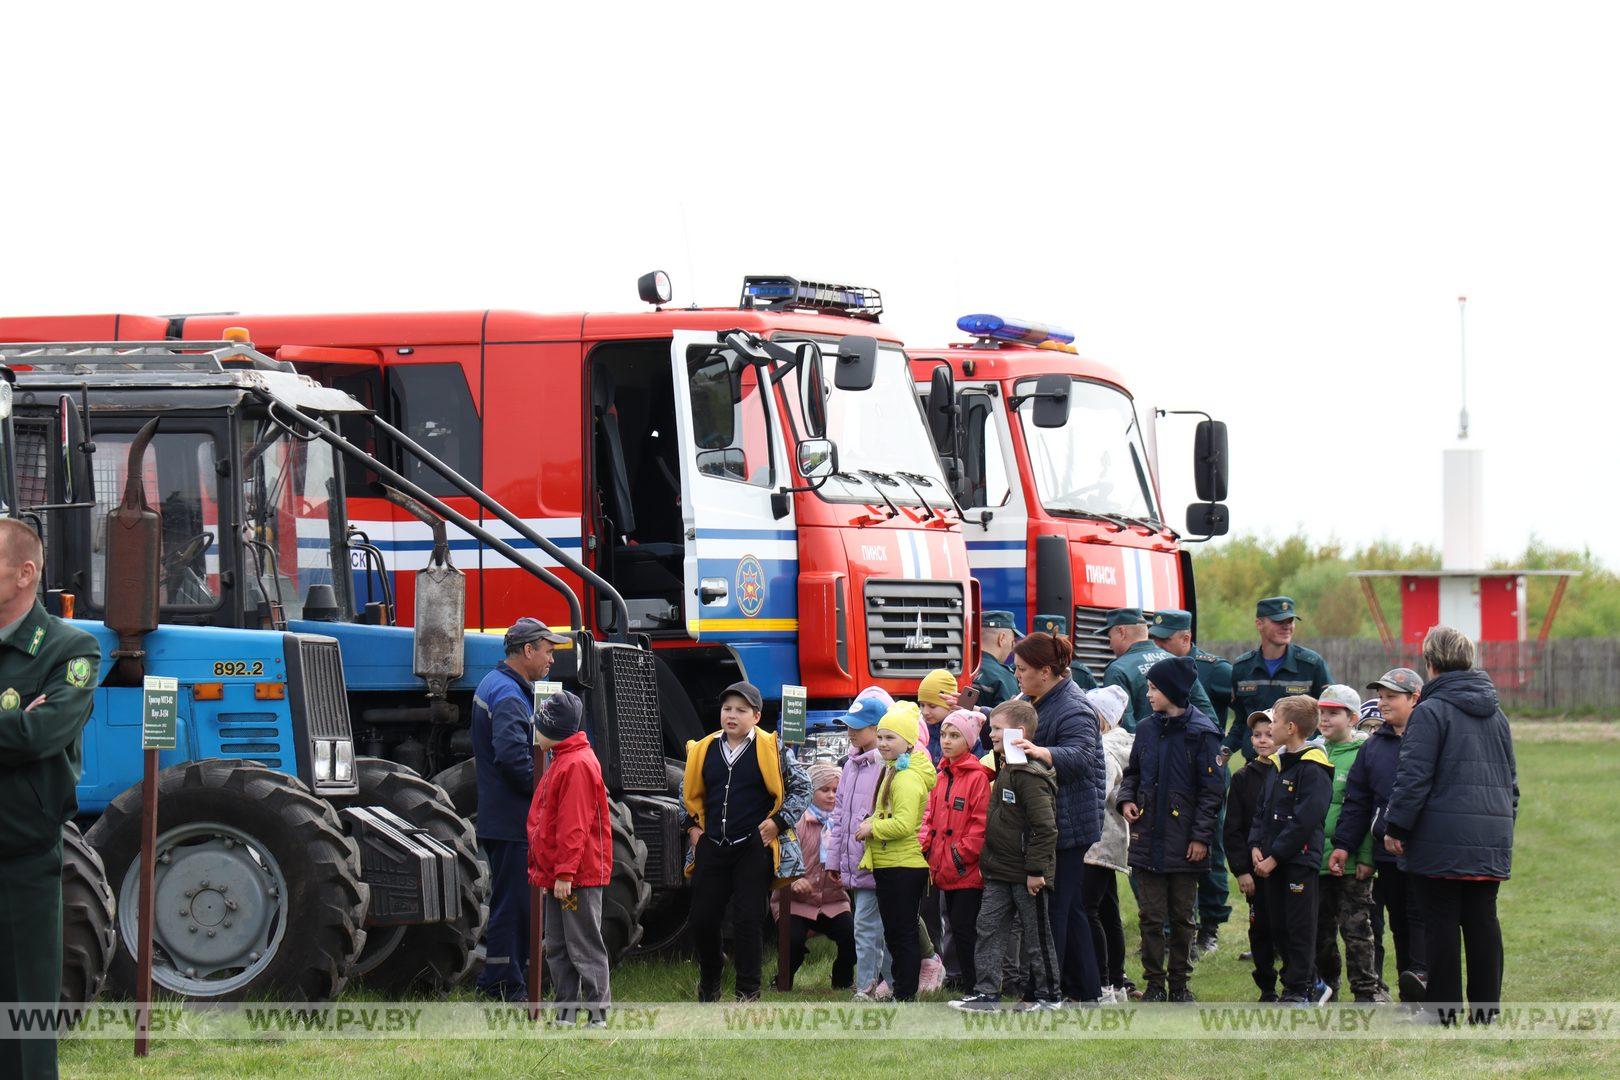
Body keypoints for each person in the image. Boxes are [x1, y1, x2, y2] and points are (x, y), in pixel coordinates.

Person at [0, 520, 101, 1080]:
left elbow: (41, 736)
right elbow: (19, 733)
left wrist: (23, 728)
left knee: (23, 1024)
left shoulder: (69, 647)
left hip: (20, 862)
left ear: (24, 573)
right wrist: (14, 721)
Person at [1383, 627, 1518, 1027]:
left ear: (1431, 662)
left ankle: (1442, 1012)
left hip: (1440, 837)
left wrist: (1397, 827)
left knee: (1440, 923)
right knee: (1482, 922)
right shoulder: (1498, 714)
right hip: (1491, 835)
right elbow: (1511, 781)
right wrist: (1504, 823)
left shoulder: (1430, 711)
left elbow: (1414, 777)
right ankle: (1486, 1013)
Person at [681, 681, 811, 1002]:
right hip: (711, 845)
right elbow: (685, 792)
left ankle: (748, 992)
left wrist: (777, 823)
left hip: (753, 848)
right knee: (703, 918)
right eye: (727, 709)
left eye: (741, 710)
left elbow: (803, 786)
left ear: (756, 715)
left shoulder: (772, 748)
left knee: (748, 920)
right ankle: (711, 979)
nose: (732, 715)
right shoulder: (703, 748)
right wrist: (692, 830)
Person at [471, 616, 570, 1001]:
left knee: (512, 902)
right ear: (527, 651)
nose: (551, 661)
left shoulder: (500, 686)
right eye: (547, 651)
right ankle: (500, 985)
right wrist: (552, 794)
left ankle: (505, 979)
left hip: (506, 819)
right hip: (514, 821)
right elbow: (515, 759)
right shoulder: (510, 695)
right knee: (514, 905)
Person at [1116, 656, 1224, 1003]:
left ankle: (1179, 983)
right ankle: (1155, 983)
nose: (1148, 694)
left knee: (1181, 917)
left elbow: (1212, 793)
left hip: (1185, 842)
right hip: (1148, 838)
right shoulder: (1147, 728)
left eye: (1153, 688)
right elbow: (1132, 773)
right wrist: (1126, 800)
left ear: (1173, 691)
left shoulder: (1202, 733)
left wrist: (1200, 837)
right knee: (1151, 916)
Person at [1008, 630, 1105, 1004]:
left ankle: (1042, 993)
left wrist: (1040, 751)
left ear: (1046, 671)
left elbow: (1080, 758)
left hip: (1066, 823)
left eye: (1022, 669)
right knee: (1071, 908)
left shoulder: (1074, 707)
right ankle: (1085, 990)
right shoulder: (1033, 699)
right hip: (1051, 820)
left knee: (1052, 911)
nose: (1017, 675)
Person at [949, 700, 1061, 1011]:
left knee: (1037, 936)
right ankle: (986, 993)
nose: (992, 734)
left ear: (1018, 732)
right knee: (988, 929)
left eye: (997, 729)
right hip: (999, 869)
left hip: (1027, 873)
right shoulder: (1006, 766)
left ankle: (1049, 996)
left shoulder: (1030, 773)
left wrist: (1036, 870)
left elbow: (1045, 827)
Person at [1331, 669, 1428, 1002]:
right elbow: (1358, 800)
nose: (1384, 703)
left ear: (1414, 698)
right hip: (1388, 851)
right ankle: (1410, 990)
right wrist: (1344, 844)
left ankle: (1428, 982)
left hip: (1427, 848)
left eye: (1392, 697)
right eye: (1382, 697)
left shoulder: (1430, 738)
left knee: (1423, 918)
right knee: (1399, 920)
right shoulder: (1374, 747)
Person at [525, 690, 612, 1025]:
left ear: (555, 730)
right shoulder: (563, 758)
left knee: (584, 945)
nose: (536, 733)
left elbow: (573, 826)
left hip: (577, 876)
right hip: (563, 874)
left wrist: (563, 874)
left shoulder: (575, 764)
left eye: (540, 727)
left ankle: (597, 1016)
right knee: (559, 946)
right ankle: (565, 1013)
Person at [1150, 609, 1233, 958]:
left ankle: (1211, 923)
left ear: (1186, 639)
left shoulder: (1217, 669)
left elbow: (1234, 717)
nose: (1158, 645)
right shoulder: (1156, 671)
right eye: (1155, 638)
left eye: (1165, 640)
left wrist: (1226, 752)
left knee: (1209, 845)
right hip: (1172, 767)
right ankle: (1178, 924)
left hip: (1206, 764)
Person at [1248, 695, 1335, 1006]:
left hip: (1297, 861)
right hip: (1269, 860)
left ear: (1291, 727)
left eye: (1274, 721)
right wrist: (1257, 846)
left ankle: (1300, 989)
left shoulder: (1314, 767)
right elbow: (1261, 810)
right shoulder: (1276, 764)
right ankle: (1309, 981)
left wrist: (1275, 855)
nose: (1269, 727)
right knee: (1277, 925)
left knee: (1299, 926)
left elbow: (1305, 820)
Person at [855, 701, 938, 1001]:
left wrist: (872, 828)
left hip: (903, 866)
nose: (883, 743)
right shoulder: (894, 770)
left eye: (890, 738)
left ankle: (905, 993)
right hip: (890, 863)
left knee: (902, 935)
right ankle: (901, 990)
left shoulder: (906, 778)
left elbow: (904, 825)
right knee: (895, 933)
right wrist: (873, 820)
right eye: (880, 737)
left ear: (908, 742)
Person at [1314, 685, 1387, 1003]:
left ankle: (1366, 990)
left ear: (1353, 718)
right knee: (1320, 932)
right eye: (1321, 713)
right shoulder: (1314, 752)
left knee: (1357, 929)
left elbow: (1370, 809)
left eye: (1333, 713)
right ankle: (1327, 986)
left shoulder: (1365, 752)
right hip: (1316, 860)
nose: (1325, 719)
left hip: (1353, 861)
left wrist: (1367, 856)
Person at [829, 690, 894, 1000]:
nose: (852, 731)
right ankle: (878, 984)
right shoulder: (850, 765)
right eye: (849, 725)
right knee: (868, 925)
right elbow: (839, 815)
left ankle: (875, 985)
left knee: (874, 926)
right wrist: (833, 860)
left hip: (879, 860)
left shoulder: (887, 766)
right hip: (856, 862)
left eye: (859, 726)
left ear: (878, 728)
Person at [923, 709, 992, 993]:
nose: (947, 741)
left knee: (966, 930)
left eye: (955, 735)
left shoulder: (976, 778)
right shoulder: (941, 775)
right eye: (944, 735)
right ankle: (965, 982)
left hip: (965, 870)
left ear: (970, 740)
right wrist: (927, 848)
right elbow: (931, 815)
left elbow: (980, 825)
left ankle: (976, 987)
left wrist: (957, 855)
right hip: (942, 868)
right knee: (953, 925)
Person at [1223, 597, 1332, 765]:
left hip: (1297, 764)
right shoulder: (1242, 668)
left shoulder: (1311, 665)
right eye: (1279, 621)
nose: (1287, 626)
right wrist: (1224, 750)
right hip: (1256, 765)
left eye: (1290, 621)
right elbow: (1241, 722)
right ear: (1259, 624)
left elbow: (1327, 716)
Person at [1081, 685, 1134, 1003]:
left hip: (1097, 839)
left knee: (1089, 910)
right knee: (1107, 908)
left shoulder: (1105, 748)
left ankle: (1101, 981)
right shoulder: (1118, 742)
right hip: (1110, 839)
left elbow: (1098, 791)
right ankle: (1116, 979)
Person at [1225, 710, 1280, 1001]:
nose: (1262, 740)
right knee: (1260, 928)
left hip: (1286, 867)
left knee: (1289, 928)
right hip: (1255, 869)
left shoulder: (1291, 772)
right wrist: (1242, 870)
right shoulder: (1243, 778)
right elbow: (1233, 828)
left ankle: (1298, 984)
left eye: (1269, 734)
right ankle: (1267, 986)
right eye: (1257, 735)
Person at [787, 762, 856, 990]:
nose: (831, 795)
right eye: (824, 790)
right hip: (797, 902)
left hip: (833, 900)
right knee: (793, 943)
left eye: (836, 790)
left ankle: (842, 981)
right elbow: (782, 859)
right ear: (811, 791)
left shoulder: (845, 824)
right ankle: (783, 979)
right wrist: (794, 879)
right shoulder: (798, 822)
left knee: (851, 938)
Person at [1101, 608, 1216, 733]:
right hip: (1182, 749)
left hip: (1144, 750)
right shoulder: (1178, 662)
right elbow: (1207, 715)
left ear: (1122, 632)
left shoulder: (1117, 670)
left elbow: (1125, 729)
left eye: (1110, 637)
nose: (1110, 645)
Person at [1033, 613, 1098, 689]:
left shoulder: (1081, 674)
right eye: (1045, 644)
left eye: (1057, 643)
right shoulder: (1024, 673)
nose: (1051, 648)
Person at [972, 611, 1022, 709]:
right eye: (1012, 642)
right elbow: (1010, 719)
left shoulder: (960, 669)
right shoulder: (1004, 677)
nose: (1012, 648)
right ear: (1002, 638)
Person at [917, 668, 960, 764]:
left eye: (932, 706)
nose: (925, 711)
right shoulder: (919, 731)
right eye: (922, 705)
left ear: (950, 703)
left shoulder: (963, 732)